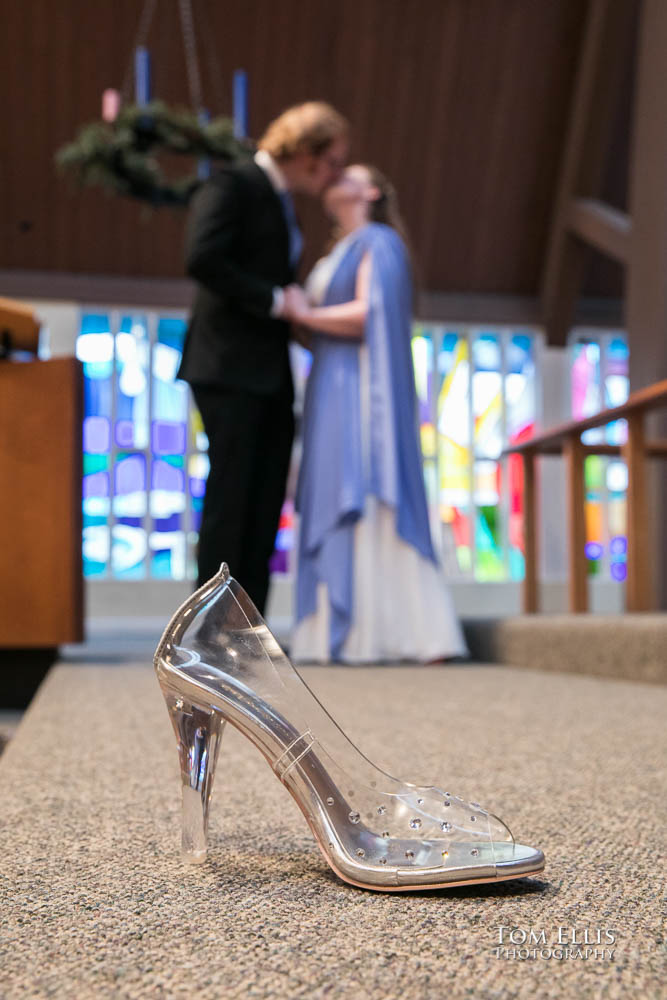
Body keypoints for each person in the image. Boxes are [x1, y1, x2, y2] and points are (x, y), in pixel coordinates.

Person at [287, 165, 467, 662]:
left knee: (363, 485)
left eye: (350, 174)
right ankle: (338, 630)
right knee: (333, 490)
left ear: (369, 191)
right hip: (329, 381)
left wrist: (303, 313)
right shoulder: (337, 249)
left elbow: (372, 313)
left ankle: (403, 629)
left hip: (360, 386)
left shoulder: (378, 241)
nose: (336, 179)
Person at [177, 102, 349, 614]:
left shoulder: (280, 201)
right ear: (308, 153)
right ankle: (210, 631)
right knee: (233, 496)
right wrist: (278, 300)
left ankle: (250, 628)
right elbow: (201, 257)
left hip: (267, 371)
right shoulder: (233, 185)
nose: (336, 173)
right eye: (335, 160)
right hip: (228, 366)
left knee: (266, 496)